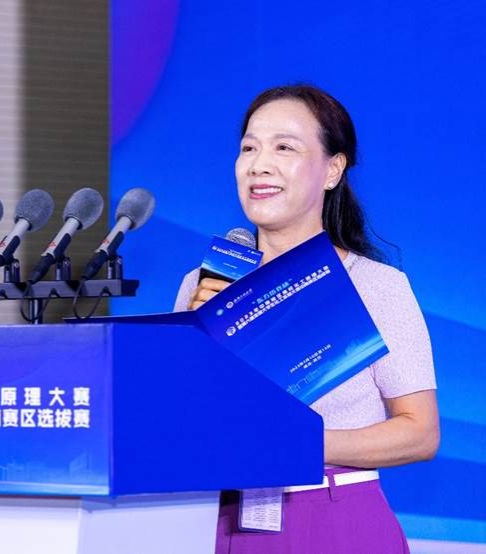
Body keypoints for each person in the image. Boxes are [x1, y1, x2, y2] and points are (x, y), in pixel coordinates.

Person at [173, 84, 439, 553]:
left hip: (336, 519)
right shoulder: (203, 285)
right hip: (222, 520)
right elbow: (183, 425)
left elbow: (420, 432)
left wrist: (299, 442)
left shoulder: (375, 285)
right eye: (249, 148)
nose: (259, 165)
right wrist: (196, 345)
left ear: (333, 169)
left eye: (284, 148)